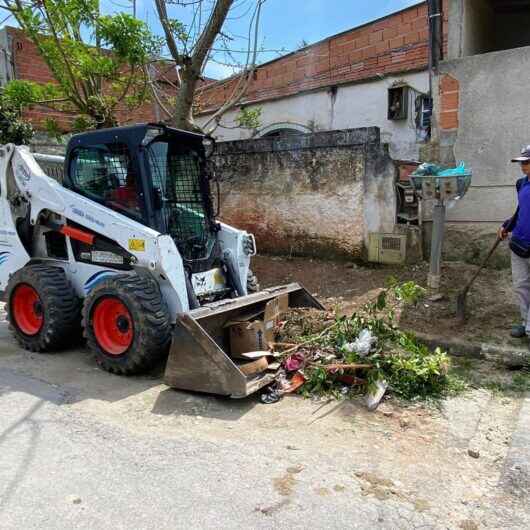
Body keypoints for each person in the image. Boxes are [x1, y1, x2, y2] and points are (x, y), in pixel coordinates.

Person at [498, 145, 530, 339]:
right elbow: (520, 212)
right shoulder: (521, 184)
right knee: (521, 286)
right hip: (519, 244)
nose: (523, 166)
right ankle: (526, 322)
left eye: (526, 162)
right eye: (522, 163)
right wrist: (506, 226)